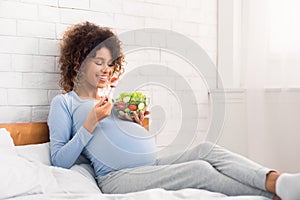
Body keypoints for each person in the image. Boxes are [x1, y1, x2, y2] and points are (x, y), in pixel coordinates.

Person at [48, 21, 300, 200]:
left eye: (110, 64)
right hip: (118, 178)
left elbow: (115, 139)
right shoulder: (65, 103)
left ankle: (278, 180)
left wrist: (135, 125)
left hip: (152, 164)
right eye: (98, 61)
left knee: (206, 149)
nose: (106, 69)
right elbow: (59, 161)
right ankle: (274, 195)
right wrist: (91, 121)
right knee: (198, 170)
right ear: (79, 63)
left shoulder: (111, 100)